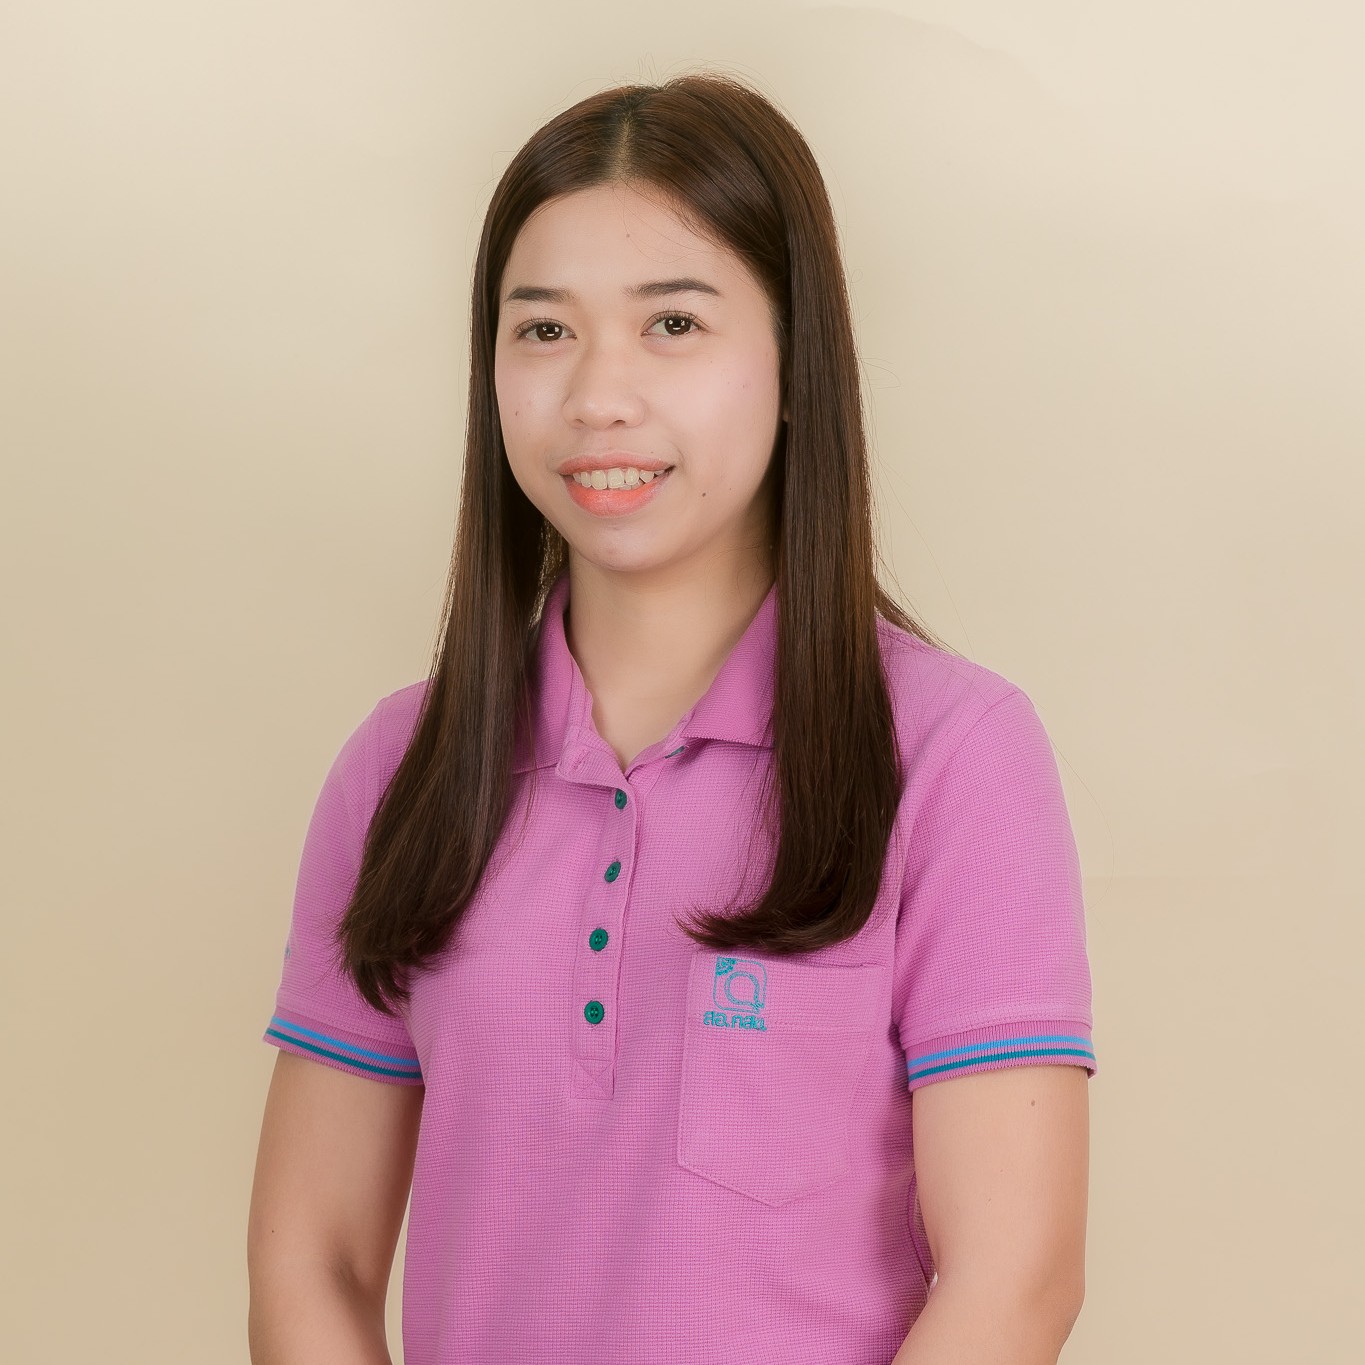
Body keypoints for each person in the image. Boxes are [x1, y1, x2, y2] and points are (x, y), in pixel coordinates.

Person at [247, 71, 1097, 1365]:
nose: (599, 394)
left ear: (797, 364)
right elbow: (313, 1260)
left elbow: (1013, 1281)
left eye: (674, 324)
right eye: (544, 330)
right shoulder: (401, 768)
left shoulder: (950, 752)